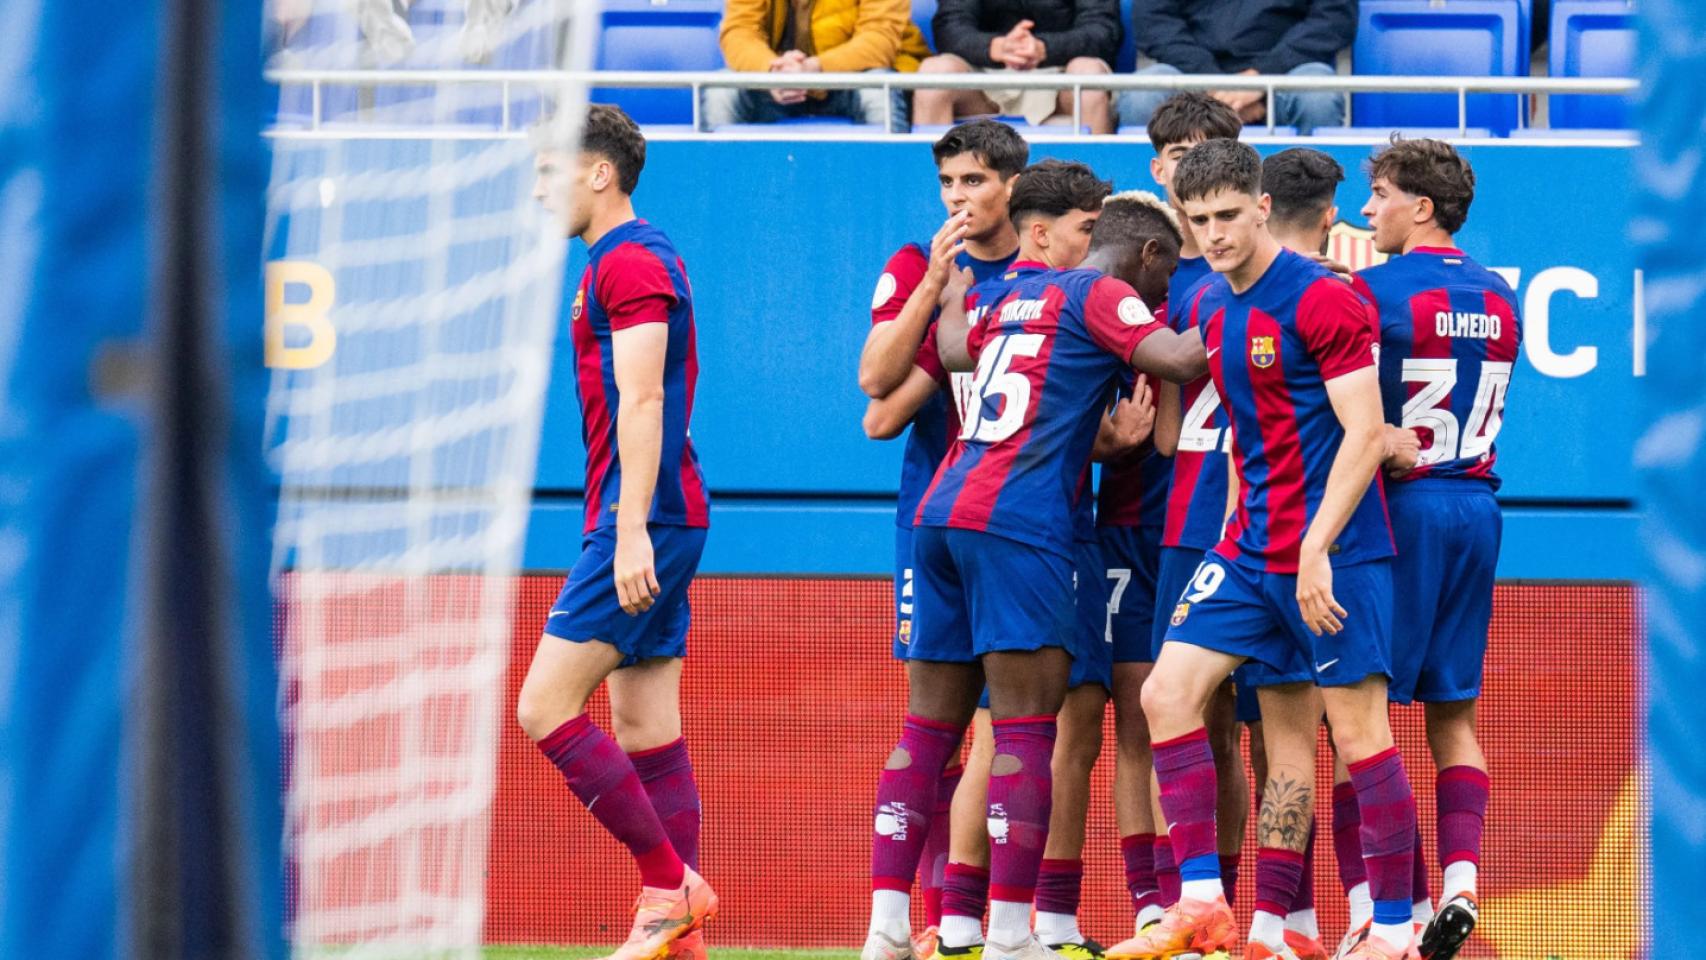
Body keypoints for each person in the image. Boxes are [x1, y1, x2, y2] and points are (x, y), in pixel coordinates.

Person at [861, 158, 1205, 960]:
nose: (1160, 297)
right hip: (1021, 526)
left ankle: (885, 928)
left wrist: (951, 290)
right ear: (1150, 257)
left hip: (939, 515)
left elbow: (952, 349)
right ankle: (1013, 935)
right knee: (1024, 733)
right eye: (1162, 282)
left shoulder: (1008, 291)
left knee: (926, 731)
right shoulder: (1101, 291)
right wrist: (1246, 306)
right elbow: (1182, 360)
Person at [1118, 138, 1420, 960]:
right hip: (1249, 551)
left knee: (1359, 739)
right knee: (1164, 696)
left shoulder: (1324, 299)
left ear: (1261, 207)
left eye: (1227, 215)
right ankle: (1202, 903)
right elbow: (1246, 438)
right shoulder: (1213, 310)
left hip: (1337, 554)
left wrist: (1316, 549)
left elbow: (1365, 434)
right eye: (1198, 219)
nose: (1214, 233)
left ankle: (1396, 931)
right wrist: (1236, 538)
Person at [516, 104, 715, 960]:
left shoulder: (629, 260)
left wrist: (630, 529)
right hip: (651, 515)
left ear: (599, 173)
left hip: (645, 519)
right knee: (644, 730)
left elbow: (645, 397)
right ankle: (683, 941)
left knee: (543, 707)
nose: (537, 189)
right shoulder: (615, 260)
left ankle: (670, 889)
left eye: (547, 170)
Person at [859, 118, 1029, 960]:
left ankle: (965, 918)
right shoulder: (914, 266)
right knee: (938, 723)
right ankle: (914, 922)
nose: (959, 199)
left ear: (1012, 186)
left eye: (975, 182)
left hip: (1022, 527)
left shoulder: (1045, 276)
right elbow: (873, 390)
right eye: (949, 183)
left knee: (1010, 727)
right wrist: (933, 286)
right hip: (933, 525)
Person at [1348, 137, 1521, 960]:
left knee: (1357, 717)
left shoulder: (1372, 291)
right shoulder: (1501, 295)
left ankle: (1388, 914)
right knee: (1454, 717)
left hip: (1401, 509)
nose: (1366, 210)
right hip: (1477, 506)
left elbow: (1349, 413)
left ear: (1421, 207)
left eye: (1380, 194)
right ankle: (1460, 881)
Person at [1108, 95, 1249, 958]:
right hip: (1176, 520)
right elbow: (1160, 433)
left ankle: (1269, 913)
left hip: (1249, 520)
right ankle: (1173, 905)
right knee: (1176, 710)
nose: (1185, 168)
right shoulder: (1148, 275)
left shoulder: (1257, 276)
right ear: (1157, 167)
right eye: (1174, 153)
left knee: (1259, 727)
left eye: (1204, 153)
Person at [1118, 0, 1354, 134]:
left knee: (1318, 97)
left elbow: (1333, 19)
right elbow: (1154, 21)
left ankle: (1312, 202)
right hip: (1192, 74)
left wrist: (1261, 79)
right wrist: (1215, 85)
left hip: (1286, 73)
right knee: (1142, 96)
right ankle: (1146, 204)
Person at [706, 0, 931, 130]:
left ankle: (886, 183)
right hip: (778, 82)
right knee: (720, 91)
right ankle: (715, 187)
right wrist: (771, 70)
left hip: (851, 78)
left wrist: (814, 68)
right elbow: (739, 31)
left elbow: (879, 38)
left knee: (878, 90)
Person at [914, 0, 1123, 134]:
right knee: (934, 74)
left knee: (1089, 77)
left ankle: (1096, 188)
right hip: (982, 75)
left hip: (1062, 73)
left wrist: (1044, 48)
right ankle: (927, 187)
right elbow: (950, 26)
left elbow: (1102, 30)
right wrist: (994, 47)